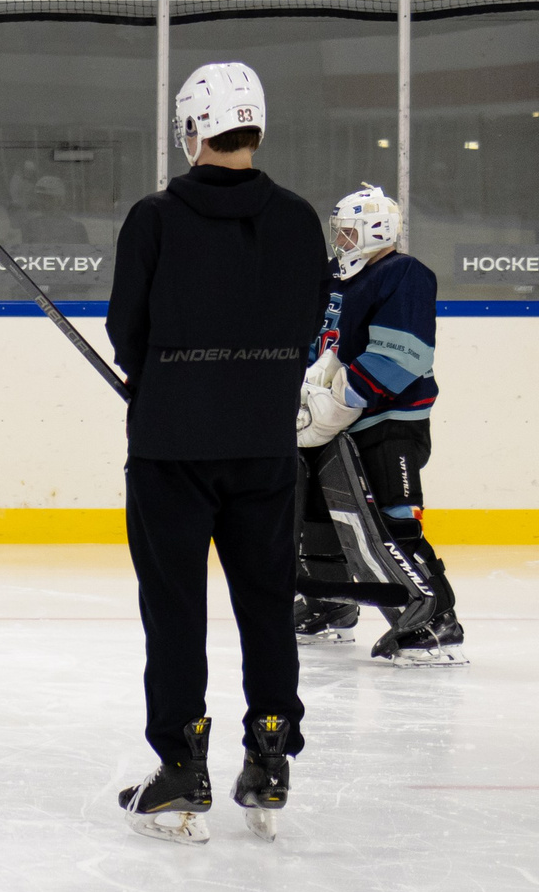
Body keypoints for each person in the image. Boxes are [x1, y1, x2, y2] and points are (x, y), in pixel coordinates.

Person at [106, 62, 330, 844]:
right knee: (267, 604)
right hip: (264, 446)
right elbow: (309, 321)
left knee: (175, 609)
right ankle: (269, 758)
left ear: (191, 127)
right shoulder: (299, 219)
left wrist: (166, 381)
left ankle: (182, 765)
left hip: (171, 448)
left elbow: (126, 330)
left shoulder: (155, 217)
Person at [292, 184, 465, 664]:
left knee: (393, 520)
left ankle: (435, 621)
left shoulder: (403, 273)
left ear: (378, 230)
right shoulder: (333, 277)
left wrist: (341, 398)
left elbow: (405, 354)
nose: (340, 241)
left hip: (388, 421)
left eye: (349, 232)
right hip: (332, 423)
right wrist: (303, 391)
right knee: (316, 516)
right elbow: (316, 341)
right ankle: (330, 604)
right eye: (338, 232)